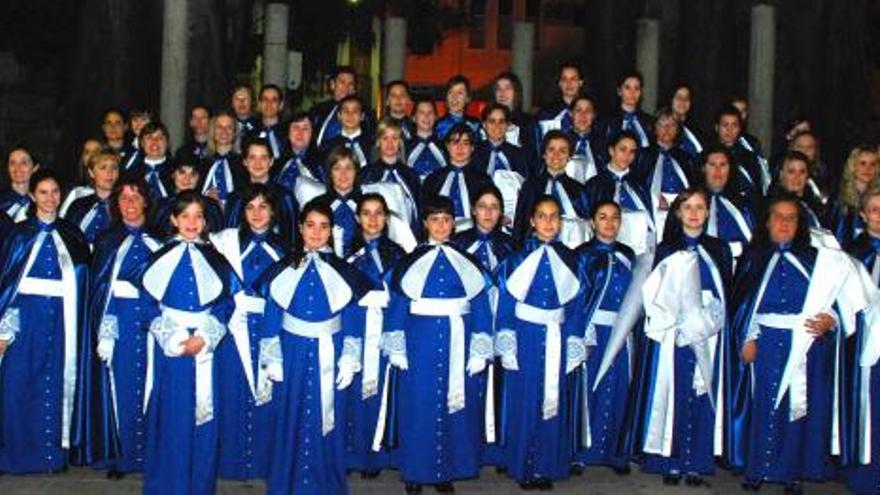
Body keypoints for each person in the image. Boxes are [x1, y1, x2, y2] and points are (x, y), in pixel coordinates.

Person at [731, 194, 861, 493]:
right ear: (767, 221)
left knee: (798, 408)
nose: (785, 223)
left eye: (791, 217)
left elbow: (836, 298)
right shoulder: (754, 258)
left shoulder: (814, 259)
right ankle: (758, 469)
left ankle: (792, 472)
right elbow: (743, 304)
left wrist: (830, 319)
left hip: (805, 343)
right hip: (766, 341)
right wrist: (747, 337)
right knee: (762, 405)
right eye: (778, 216)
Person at [378, 195, 494, 494]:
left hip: (460, 341)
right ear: (425, 224)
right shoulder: (409, 261)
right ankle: (415, 472)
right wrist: (397, 344)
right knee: (419, 407)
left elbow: (480, 303)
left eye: (446, 219)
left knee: (454, 408)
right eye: (435, 219)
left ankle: (445, 472)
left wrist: (481, 344)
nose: (441, 225)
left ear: (454, 223)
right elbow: (398, 305)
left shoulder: (468, 261)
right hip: (420, 343)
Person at [258, 200, 371, 495]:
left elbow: (352, 313)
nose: (316, 233)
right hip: (292, 350)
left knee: (327, 418)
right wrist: (272, 356)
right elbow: (272, 310)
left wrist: (350, 355)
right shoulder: (284, 266)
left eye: (323, 226)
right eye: (310, 225)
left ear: (332, 231)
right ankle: (286, 483)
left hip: (329, 350)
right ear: (300, 228)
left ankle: (326, 484)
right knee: (289, 415)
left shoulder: (344, 270)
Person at [136, 190, 240, 495]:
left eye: (198, 216)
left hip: (203, 346)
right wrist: (173, 337)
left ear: (205, 221)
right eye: (185, 216)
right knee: (173, 418)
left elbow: (225, 304)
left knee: (202, 419)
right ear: (173, 219)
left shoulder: (216, 259)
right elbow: (146, 305)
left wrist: (205, 336)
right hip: (172, 350)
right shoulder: (157, 258)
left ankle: (199, 486)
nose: (192, 222)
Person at [635, 187, 732, 486]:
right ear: (677, 212)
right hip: (673, 331)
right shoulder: (666, 249)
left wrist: (711, 318)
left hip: (709, 331)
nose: (693, 213)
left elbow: (726, 290)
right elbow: (656, 292)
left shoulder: (719, 249)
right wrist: (673, 320)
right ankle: (671, 459)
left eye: (700, 207)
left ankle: (697, 461)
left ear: (708, 212)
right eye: (687, 207)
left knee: (701, 392)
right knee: (673, 391)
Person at [493, 195, 586, 489]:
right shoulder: (516, 259)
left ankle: (546, 466)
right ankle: (524, 466)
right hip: (525, 337)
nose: (548, 222)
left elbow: (576, 304)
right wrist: (506, 340)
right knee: (524, 401)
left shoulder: (572, 259)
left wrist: (574, 339)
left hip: (556, 336)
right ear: (532, 221)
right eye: (542, 216)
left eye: (554, 216)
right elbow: (505, 301)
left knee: (553, 402)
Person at [0, 168, 90, 473]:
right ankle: (16, 455)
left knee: (55, 384)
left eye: (55, 192)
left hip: (63, 322)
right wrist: (6, 325)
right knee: (20, 384)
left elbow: (86, 281)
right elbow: (8, 284)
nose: (50, 198)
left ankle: (51, 455)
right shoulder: (19, 234)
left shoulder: (72, 234)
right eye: (43, 192)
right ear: (32, 196)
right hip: (27, 322)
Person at [210, 184, 287, 481]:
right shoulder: (224, 246)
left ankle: (265, 463)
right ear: (242, 212)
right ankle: (231, 462)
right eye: (250, 207)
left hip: (269, 330)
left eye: (263, 206)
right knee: (231, 392)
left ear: (273, 211)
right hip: (233, 330)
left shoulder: (284, 250)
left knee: (269, 398)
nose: (257, 213)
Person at [87, 178, 161, 477]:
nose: (130, 203)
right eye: (124, 198)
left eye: (136, 196)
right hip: (121, 323)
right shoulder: (107, 240)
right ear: (116, 204)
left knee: (153, 387)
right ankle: (124, 457)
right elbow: (101, 292)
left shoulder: (161, 240)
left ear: (146, 200)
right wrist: (106, 328)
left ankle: (153, 455)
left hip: (154, 325)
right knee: (123, 390)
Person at [343, 193, 405, 476]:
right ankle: (356, 455)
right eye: (366, 213)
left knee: (385, 390)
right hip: (357, 327)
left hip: (388, 327)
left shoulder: (398, 254)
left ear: (387, 218)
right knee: (356, 393)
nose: (372, 219)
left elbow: (404, 295)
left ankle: (381, 455)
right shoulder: (347, 255)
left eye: (379, 212)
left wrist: (395, 334)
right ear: (357, 218)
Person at [574, 201, 638, 473]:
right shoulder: (582, 255)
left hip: (622, 332)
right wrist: (582, 330)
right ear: (592, 222)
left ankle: (615, 451)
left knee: (620, 387)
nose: (609, 223)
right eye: (603, 217)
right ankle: (582, 452)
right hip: (593, 330)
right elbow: (577, 296)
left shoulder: (629, 255)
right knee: (589, 388)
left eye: (614, 218)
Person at [843, 187, 880, 494]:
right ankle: (865, 475)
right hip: (866, 341)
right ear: (864, 214)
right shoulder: (855, 254)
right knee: (868, 405)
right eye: (875, 210)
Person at [514, 131, 590, 247]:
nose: (556, 155)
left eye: (563, 151)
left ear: (569, 156)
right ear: (544, 154)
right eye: (551, 149)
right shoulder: (530, 186)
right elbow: (521, 223)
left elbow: (586, 227)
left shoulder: (579, 190)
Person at [584, 131, 654, 252]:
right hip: (605, 242)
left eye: (632, 151)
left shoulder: (640, 184)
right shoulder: (595, 184)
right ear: (611, 151)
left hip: (639, 243)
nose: (627, 155)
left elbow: (650, 219)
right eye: (623, 149)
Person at [225, 138, 299, 244]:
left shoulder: (285, 197)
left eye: (263, 158)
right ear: (245, 162)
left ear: (271, 161)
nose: (258, 163)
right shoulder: (235, 197)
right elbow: (229, 236)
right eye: (252, 157)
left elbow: (293, 237)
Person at [634, 108, 696, 235]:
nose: (667, 129)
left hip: (681, 208)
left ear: (678, 129)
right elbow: (637, 183)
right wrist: (655, 197)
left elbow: (693, 185)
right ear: (654, 128)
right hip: (652, 207)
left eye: (672, 125)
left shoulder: (686, 159)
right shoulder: (643, 156)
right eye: (662, 124)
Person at [422, 124, 492, 232]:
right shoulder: (433, 179)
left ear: (472, 148)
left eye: (465, 143)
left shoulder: (483, 181)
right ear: (447, 146)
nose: (460, 148)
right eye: (455, 142)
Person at [360, 120, 422, 239]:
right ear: (378, 142)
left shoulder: (411, 175)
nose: (390, 143)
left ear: (400, 142)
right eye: (385, 138)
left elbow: (417, 213)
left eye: (394, 138)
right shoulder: (366, 174)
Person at [700, 145, 754, 259]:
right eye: (712, 165)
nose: (718, 170)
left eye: (723, 165)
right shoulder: (690, 202)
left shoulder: (745, 205)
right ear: (704, 168)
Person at [150, 160, 225, 236]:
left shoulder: (211, 206)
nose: (187, 178)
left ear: (199, 177)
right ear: (173, 174)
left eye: (193, 174)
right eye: (182, 172)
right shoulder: (162, 207)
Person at [452, 185, 516, 272]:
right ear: (473, 210)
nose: (488, 212)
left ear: (501, 212)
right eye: (482, 206)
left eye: (494, 207)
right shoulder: (457, 244)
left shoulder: (511, 246)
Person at [313, 147, 363, 257]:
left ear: (356, 172)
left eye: (349, 168)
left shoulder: (367, 206)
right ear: (330, 173)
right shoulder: (316, 205)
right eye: (337, 168)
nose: (343, 174)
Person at [63, 148, 120, 244]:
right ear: (91, 172)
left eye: (114, 167)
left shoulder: (125, 205)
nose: (109, 173)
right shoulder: (78, 205)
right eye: (103, 168)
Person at [714, 106, 767, 203]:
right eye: (725, 125)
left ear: (740, 129)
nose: (729, 130)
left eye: (734, 125)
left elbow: (758, 191)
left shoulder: (750, 158)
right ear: (717, 127)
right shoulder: (707, 157)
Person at [831, 144, 879, 248]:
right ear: (853, 166)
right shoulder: (839, 199)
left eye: (873, 164)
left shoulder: (877, 197)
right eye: (863, 163)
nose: (868, 168)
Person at [597, 71, 653, 156]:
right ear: (619, 91)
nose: (632, 92)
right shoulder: (606, 120)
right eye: (627, 87)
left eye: (636, 88)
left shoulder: (648, 121)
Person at [311, 66, 364, 150]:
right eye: (342, 82)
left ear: (354, 89)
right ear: (332, 84)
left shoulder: (364, 114)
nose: (346, 88)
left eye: (350, 84)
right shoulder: (318, 110)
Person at [200, 110, 246, 205]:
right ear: (212, 131)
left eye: (229, 127)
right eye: (219, 127)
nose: (224, 131)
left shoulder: (244, 164)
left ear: (234, 132)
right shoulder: (202, 164)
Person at [771, 151, 826, 229]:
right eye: (791, 172)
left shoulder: (814, 205)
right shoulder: (775, 209)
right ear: (781, 175)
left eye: (802, 172)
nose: (797, 177)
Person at [492, 72, 538, 165]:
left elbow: (533, 157)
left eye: (507, 88)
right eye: (498, 89)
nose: (502, 93)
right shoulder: (487, 121)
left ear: (516, 92)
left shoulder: (528, 122)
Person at [275, 112, 325, 193]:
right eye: (295, 127)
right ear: (288, 132)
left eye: (305, 128)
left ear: (312, 134)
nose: (300, 132)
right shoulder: (277, 163)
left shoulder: (321, 164)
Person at [123, 121, 173, 201]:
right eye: (149, 137)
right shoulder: (130, 174)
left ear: (167, 142)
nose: (155, 141)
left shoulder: (176, 170)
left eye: (160, 137)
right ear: (142, 143)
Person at [320, 96, 373, 168]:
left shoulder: (372, 144)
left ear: (362, 116)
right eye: (345, 111)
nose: (350, 114)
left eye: (355, 111)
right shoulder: (328, 146)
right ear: (339, 116)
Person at [535, 62, 584, 138]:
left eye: (573, 79)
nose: (569, 83)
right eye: (564, 79)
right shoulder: (546, 113)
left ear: (580, 83)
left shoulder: (590, 113)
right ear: (560, 83)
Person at [564, 95, 603, 184]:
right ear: (571, 114)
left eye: (588, 111)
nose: (583, 115)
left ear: (593, 115)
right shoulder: (562, 142)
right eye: (578, 110)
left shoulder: (602, 143)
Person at [404, 99, 447, 181]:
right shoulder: (404, 147)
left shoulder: (445, 146)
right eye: (421, 112)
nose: (426, 116)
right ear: (413, 118)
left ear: (436, 117)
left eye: (430, 112)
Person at [435, 75, 481, 140]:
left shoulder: (475, 124)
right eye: (450, 92)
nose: (454, 97)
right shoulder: (437, 125)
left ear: (467, 98)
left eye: (460, 93)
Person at [0, 145, 39, 221]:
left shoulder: (42, 203)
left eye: (24, 163)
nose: (17, 168)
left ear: (35, 168)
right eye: (12, 163)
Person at [669, 84, 703, 159]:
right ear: (671, 99)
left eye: (686, 98)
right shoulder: (661, 128)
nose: (683, 101)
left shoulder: (696, 130)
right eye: (679, 97)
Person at [255, 84, 286, 159]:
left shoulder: (288, 134)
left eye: (274, 100)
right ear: (259, 104)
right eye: (265, 99)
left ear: (281, 105)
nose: (269, 104)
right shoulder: (250, 134)